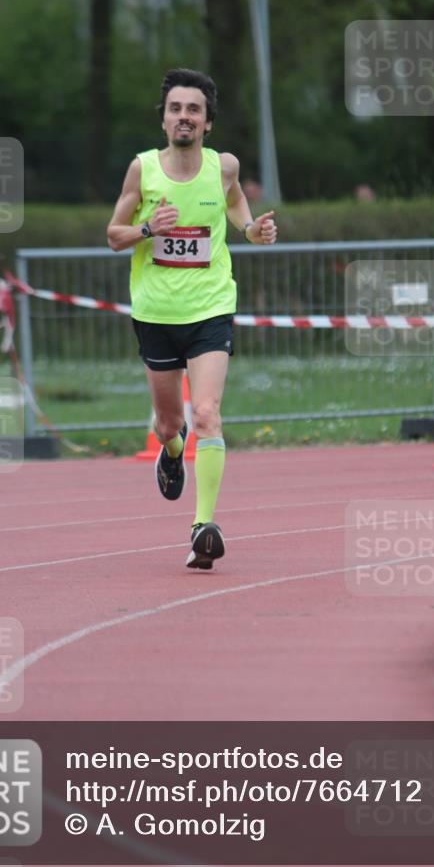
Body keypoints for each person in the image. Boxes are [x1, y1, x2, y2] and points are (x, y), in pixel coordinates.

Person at [107, 68, 277, 570]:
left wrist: (250, 229)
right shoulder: (142, 170)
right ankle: (173, 449)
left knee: (206, 413)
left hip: (210, 309)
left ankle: (202, 527)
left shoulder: (224, 167)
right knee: (169, 423)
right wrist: (146, 228)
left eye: (194, 110)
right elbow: (113, 236)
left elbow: (236, 201)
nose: (185, 117)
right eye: (176, 109)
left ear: (207, 122)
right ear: (163, 120)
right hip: (156, 313)